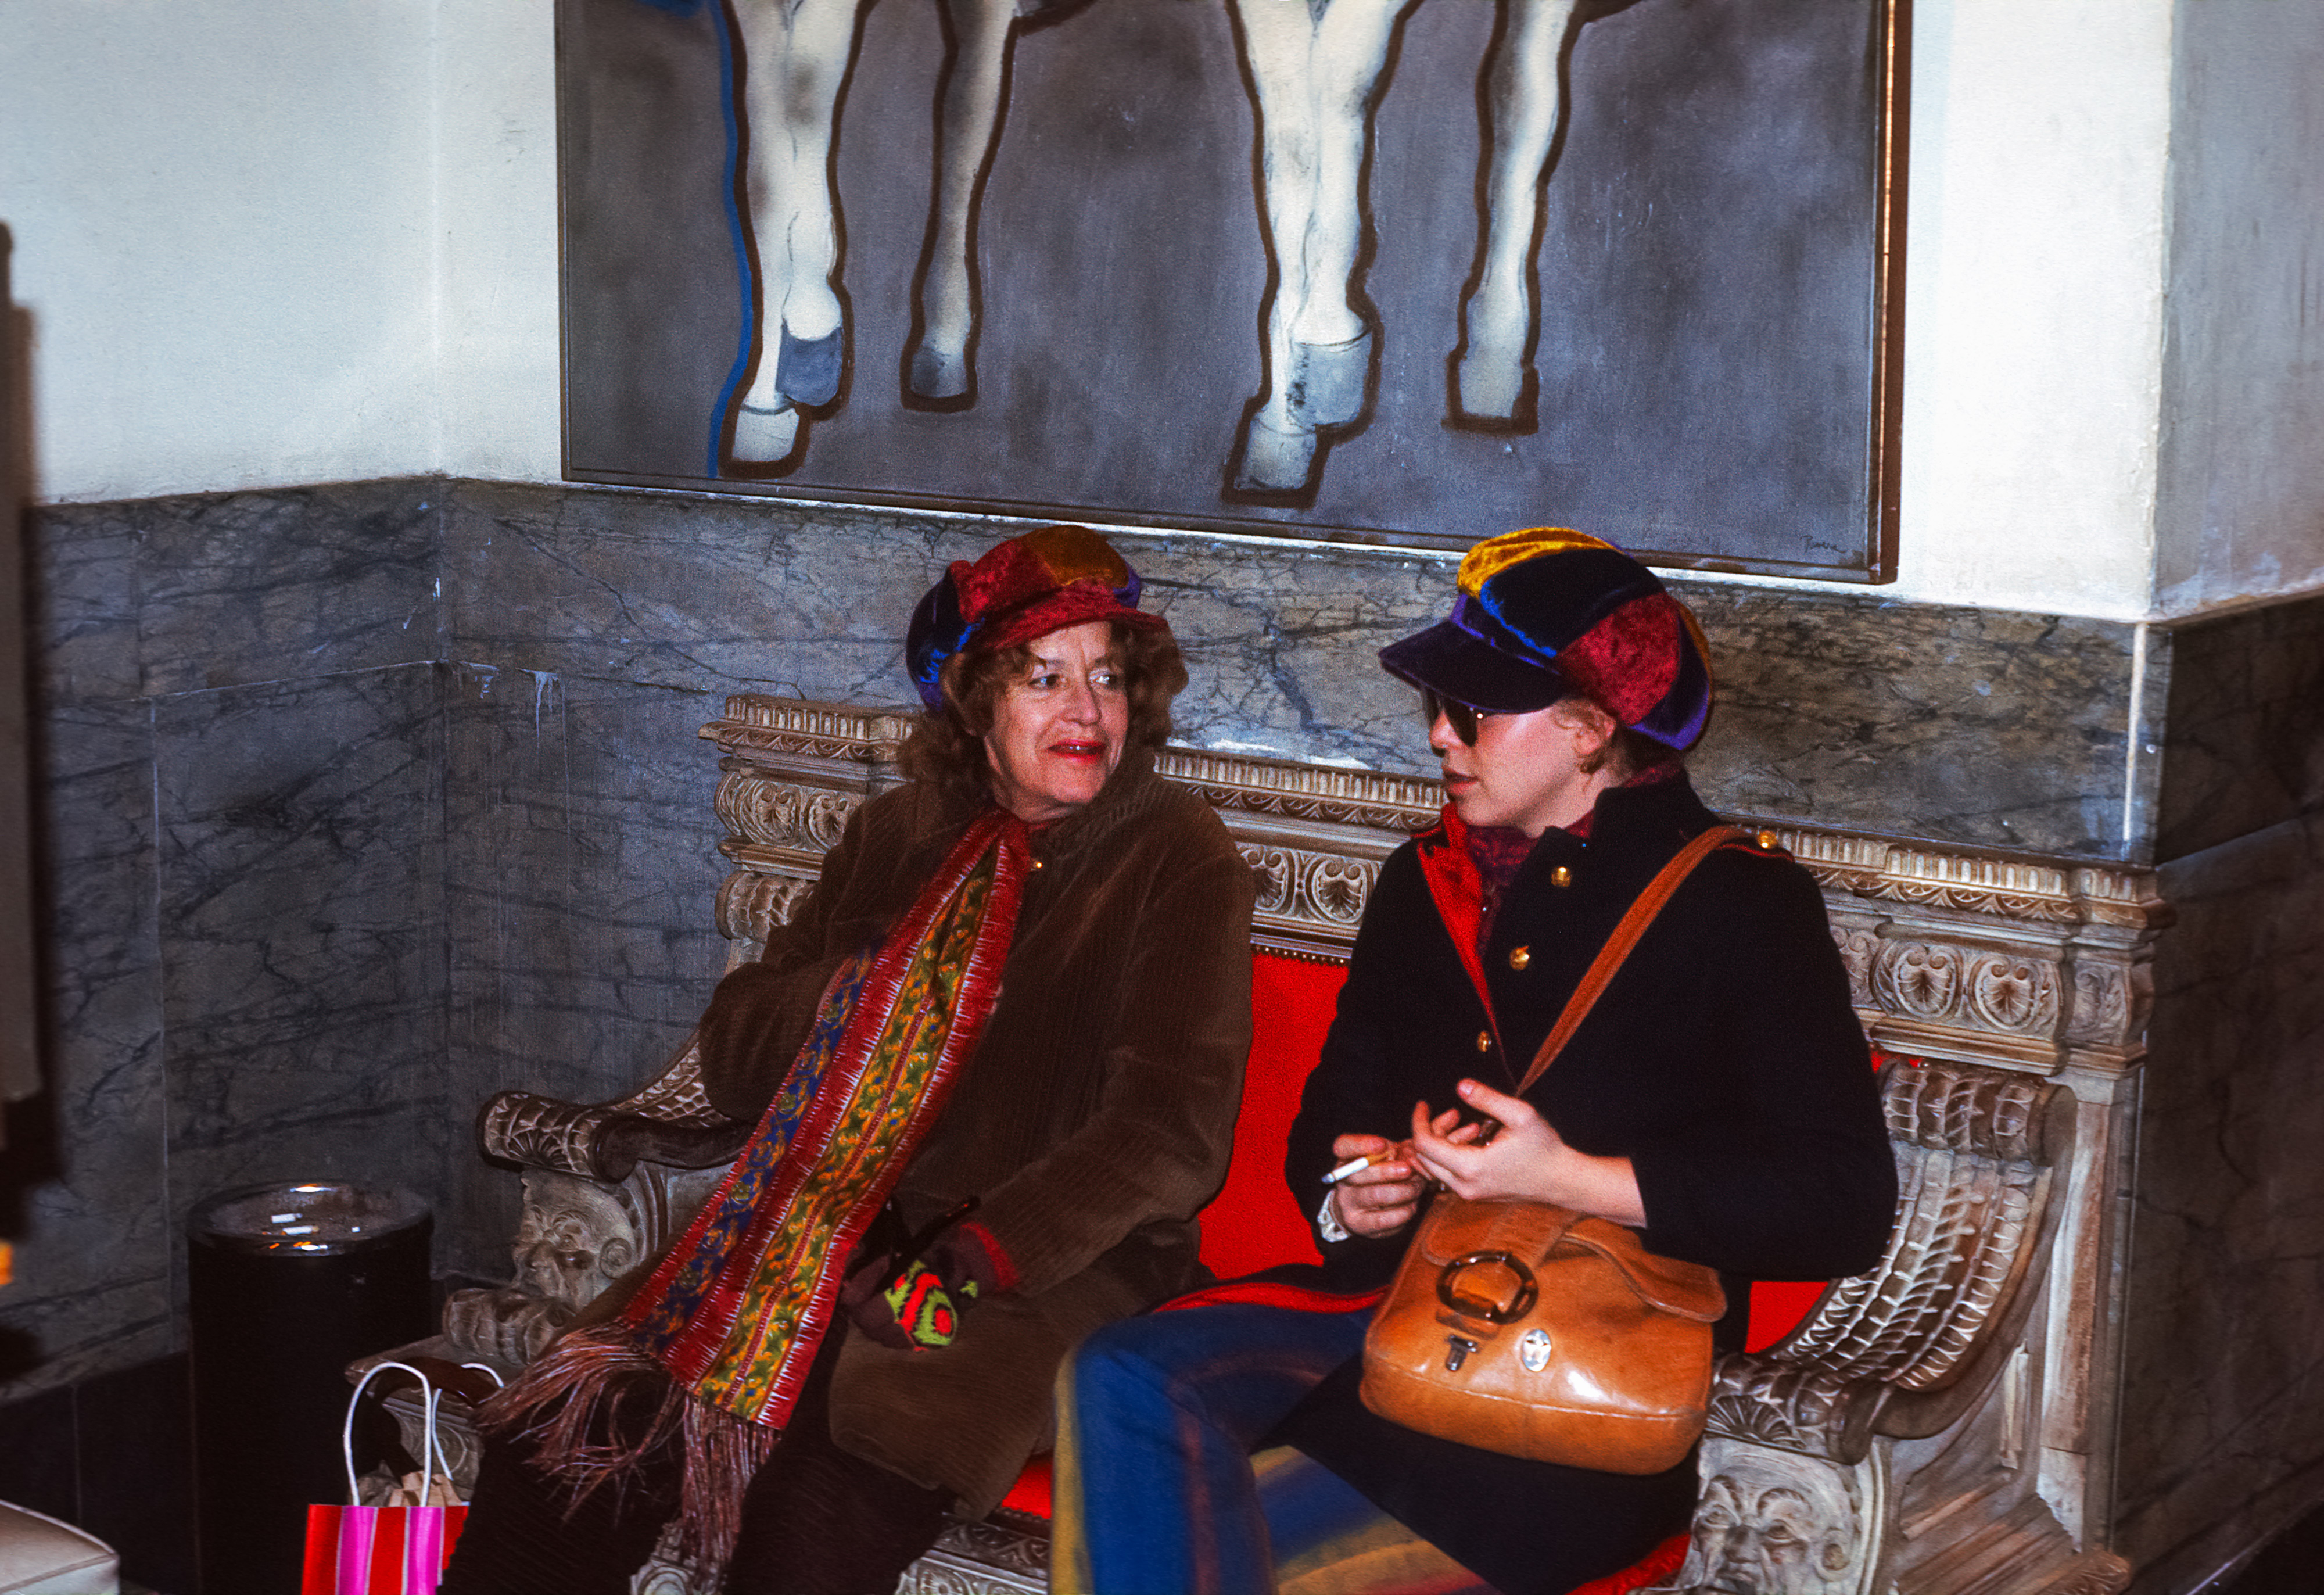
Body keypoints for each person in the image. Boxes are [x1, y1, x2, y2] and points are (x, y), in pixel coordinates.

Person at [1053, 526, 1896, 1595]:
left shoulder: (1742, 903)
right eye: (1437, 707)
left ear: (1589, 729)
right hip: (1389, 1311)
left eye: (1474, 712)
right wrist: (1354, 1191)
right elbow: (1332, 1118)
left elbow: (1843, 1201)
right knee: (1119, 1372)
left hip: (1576, 1376)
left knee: (1224, 1557)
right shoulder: (1425, 881)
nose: (1440, 736)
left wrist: (1572, 1178)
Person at [444, 525, 1256, 1594]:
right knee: (564, 1442)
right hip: (809, 1227)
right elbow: (732, 1056)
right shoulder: (896, 831)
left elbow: (1168, 1136)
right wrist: (857, 995)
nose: (1087, 711)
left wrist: (967, 1258)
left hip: (1037, 1269)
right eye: (1044, 677)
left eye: (1107, 676)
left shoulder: (1175, 853)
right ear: (975, 701)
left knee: (817, 1511)